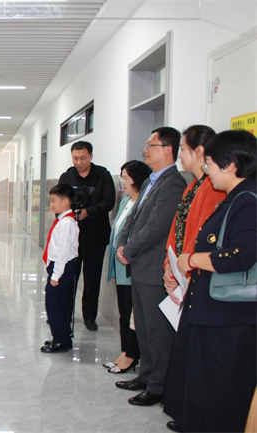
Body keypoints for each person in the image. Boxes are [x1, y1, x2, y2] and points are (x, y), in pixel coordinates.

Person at [164, 130, 256, 433]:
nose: (207, 169)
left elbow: (240, 256)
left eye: (212, 163)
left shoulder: (248, 200)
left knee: (220, 392)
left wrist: (192, 260)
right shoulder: (234, 197)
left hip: (229, 317)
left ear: (231, 165)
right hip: (211, 311)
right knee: (203, 386)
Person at [115, 127, 187, 406]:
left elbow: (158, 226)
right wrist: (123, 243)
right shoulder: (149, 181)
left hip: (154, 267)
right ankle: (145, 376)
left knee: (157, 331)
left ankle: (158, 386)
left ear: (168, 149)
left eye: (151, 145)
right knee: (143, 327)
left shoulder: (173, 183)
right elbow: (133, 218)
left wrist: (130, 249)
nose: (145, 149)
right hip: (139, 265)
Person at [162, 125, 226, 304]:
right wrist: (169, 264)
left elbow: (202, 234)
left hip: (196, 271)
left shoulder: (213, 188)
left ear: (199, 151)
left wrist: (184, 267)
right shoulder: (191, 188)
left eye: (182, 149)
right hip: (182, 268)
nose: (179, 156)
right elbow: (177, 229)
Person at [59, 141, 116, 331]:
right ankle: (65, 314)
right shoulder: (67, 176)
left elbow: (109, 201)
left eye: (83, 158)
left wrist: (89, 212)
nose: (78, 162)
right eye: (75, 158)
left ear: (91, 156)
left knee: (92, 279)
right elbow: (59, 202)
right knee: (69, 277)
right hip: (71, 236)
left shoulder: (103, 175)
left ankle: (90, 317)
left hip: (96, 236)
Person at [105, 160, 151, 373]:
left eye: (125, 178)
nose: (122, 182)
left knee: (133, 314)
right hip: (119, 266)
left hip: (132, 267)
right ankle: (125, 351)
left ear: (136, 180)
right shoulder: (125, 202)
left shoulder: (144, 203)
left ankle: (132, 355)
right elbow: (118, 234)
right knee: (124, 312)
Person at [40, 183, 79, 353]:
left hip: (62, 267)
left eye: (54, 201)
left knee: (55, 304)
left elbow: (63, 252)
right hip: (60, 266)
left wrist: (56, 275)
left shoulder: (66, 223)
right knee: (59, 303)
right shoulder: (63, 221)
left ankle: (61, 340)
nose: (51, 204)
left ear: (65, 202)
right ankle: (62, 337)